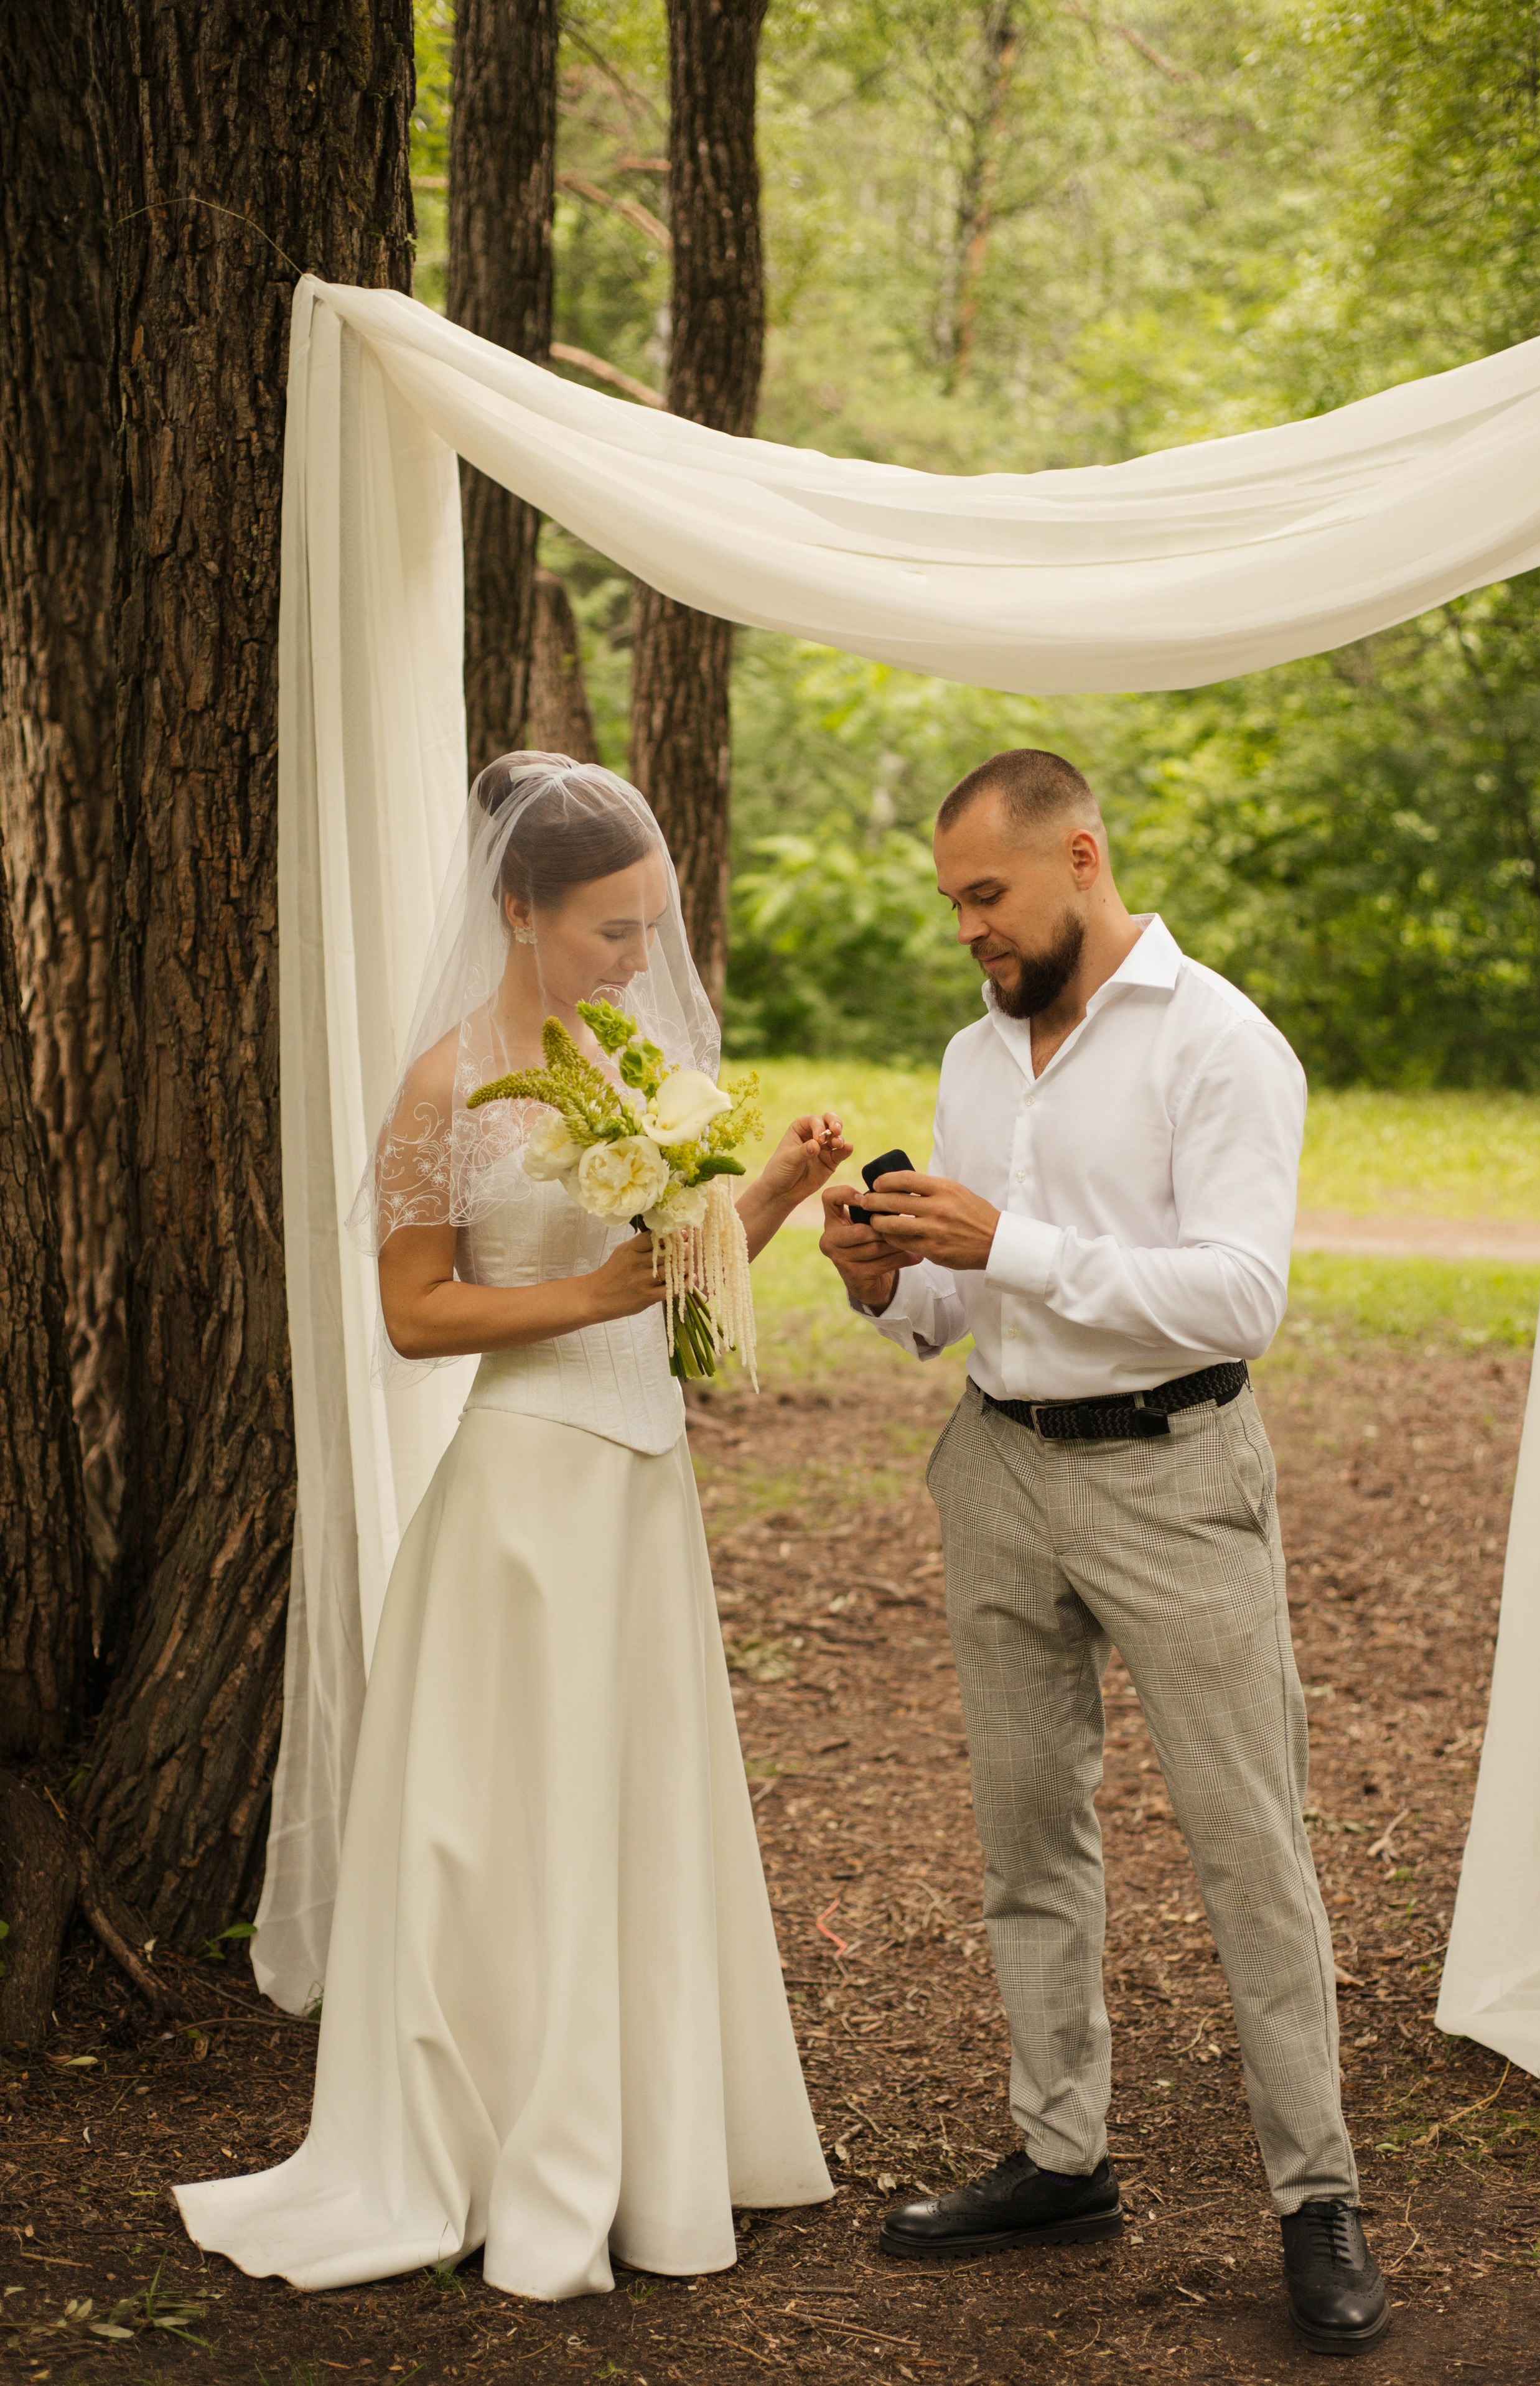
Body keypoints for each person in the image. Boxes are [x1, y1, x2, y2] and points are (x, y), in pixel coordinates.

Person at [175, 755, 843, 2301]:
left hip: (641, 1486)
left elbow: (674, 1292)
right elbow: (415, 1316)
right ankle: (496, 2142)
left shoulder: (628, 1062)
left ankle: (648, 2137)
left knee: (631, 1805)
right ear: (516, 909)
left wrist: (776, 1198)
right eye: (610, 932)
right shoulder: (447, 1083)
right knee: (516, 1824)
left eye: (648, 928)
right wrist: (588, 1293)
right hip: (527, 1495)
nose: (636, 960)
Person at [818, 749, 1389, 2357]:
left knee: (1247, 1850)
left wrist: (1013, 1240)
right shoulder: (975, 1050)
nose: (969, 932)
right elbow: (956, 1308)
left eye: (986, 897)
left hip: (1175, 1475)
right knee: (1028, 1838)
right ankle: (1062, 2154)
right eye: (952, 905)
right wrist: (886, 1275)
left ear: (1080, 856)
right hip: (999, 1467)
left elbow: (1238, 1295)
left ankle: (1319, 2197)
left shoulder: (1221, 1041)